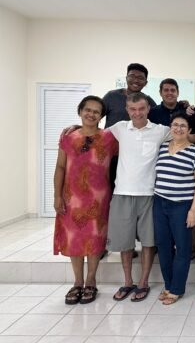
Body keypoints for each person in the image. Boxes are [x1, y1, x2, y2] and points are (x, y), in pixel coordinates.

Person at [53, 95, 118, 305]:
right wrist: (57, 195)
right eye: (87, 110)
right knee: (74, 239)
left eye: (96, 111)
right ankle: (77, 282)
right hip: (71, 197)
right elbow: (60, 167)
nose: (91, 114)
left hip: (99, 198)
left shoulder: (109, 138)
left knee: (95, 238)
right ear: (80, 111)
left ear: (101, 116)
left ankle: (91, 281)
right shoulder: (68, 137)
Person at [107, 92, 169, 302]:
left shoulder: (160, 131)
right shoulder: (120, 128)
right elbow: (95, 134)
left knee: (149, 242)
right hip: (122, 193)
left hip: (149, 194)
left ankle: (143, 282)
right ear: (127, 110)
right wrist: (75, 127)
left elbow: (184, 135)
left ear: (148, 108)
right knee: (125, 242)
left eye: (141, 109)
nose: (137, 113)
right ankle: (127, 282)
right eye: (133, 109)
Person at [153, 113, 195, 305]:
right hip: (159, 203)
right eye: (175, 125)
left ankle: (177, 289)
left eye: (183, 126)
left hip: (182, 206)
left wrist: (193, 210)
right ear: (170, 128)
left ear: (189, 130)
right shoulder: (162, 148)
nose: (179, 128)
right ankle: (168, 285)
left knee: (182, 248)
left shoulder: (194, 152)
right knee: (163, 246)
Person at [103, 63, 157, 128]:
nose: (136, 80)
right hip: (110, 134)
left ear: (145, 83)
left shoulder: (149, 101)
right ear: (126, 78)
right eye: (132, 76)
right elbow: (95, 116)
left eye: (140, 78)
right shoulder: (111, 96)